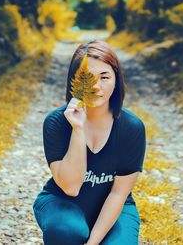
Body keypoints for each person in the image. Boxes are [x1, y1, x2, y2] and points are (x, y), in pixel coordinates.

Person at [32, 39, 146, 245]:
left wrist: (93, 243)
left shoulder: (132, 127)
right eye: (86, 78)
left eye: (104, 77)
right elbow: (71, 187)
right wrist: (78, 128)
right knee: (66, 231)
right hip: (63, 202)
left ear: (116, 79)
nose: (95, 86)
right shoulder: (56, 122)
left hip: (113, 205)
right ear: (74, 81)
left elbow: (118, 194)